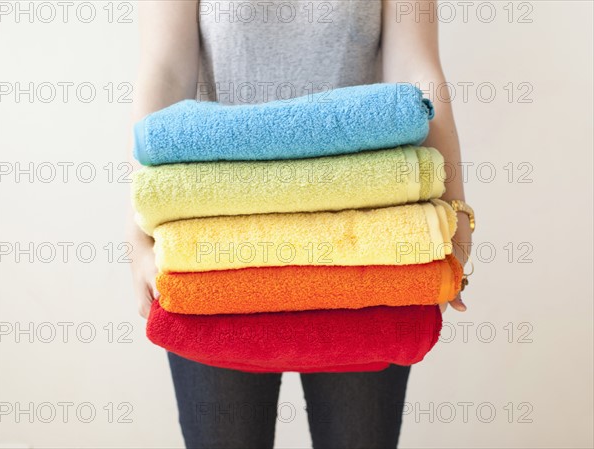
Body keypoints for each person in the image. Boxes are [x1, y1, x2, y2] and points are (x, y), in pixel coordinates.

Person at [128, 1, 473, 447]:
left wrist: (452, 210)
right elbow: (165, 70)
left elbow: (417, 67)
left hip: (369, 245)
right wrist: (138, 231)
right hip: (208, 246)